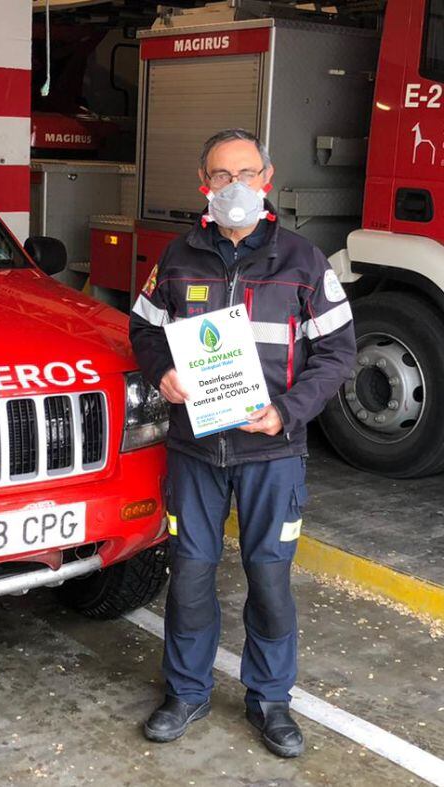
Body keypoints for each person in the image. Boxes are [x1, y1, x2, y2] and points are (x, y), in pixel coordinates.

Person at [129, 128, 356, 758]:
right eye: (221, 177)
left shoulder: (305, 262)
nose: (235, 187)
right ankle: (186, 691)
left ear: (268, 178)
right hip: (196, 453)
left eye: (245, 174)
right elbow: (143, 330)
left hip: (272, 456)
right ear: (205, 184)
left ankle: (270, 701)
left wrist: (286, 413)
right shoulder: (175, 258)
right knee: (192, 578)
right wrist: (162, 374)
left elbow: (338, 354)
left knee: (270, 580)